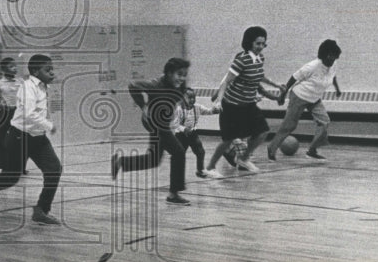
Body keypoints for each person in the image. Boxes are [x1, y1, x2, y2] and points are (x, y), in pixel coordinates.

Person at [0, 54, 62, 225]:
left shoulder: (42, 87)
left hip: (37, 138)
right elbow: (29, 113)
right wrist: (49, 125)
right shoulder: (28, 87)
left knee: (54, 169)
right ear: (35, 71)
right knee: (11, 177)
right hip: (19, 136)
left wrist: (43, 126)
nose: (52, 73)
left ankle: (41, 210)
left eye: (52, 69)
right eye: (47, 69)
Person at [112, 58, 192, 204]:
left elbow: (176, 97)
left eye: (184, 74)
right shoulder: (155, 84)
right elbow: (133, 85)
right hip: (153, 121)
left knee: (153, 160)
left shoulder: (181, 85)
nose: (182, 78)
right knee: (178, 151)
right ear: (168, 73)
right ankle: (173, 195)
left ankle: (120, 162)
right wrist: (143, 106)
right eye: (179, 74)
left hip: (164, 122)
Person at [205, 27, 284, 175]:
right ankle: (210, 167)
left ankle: (243, 158)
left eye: (263, 44)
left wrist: (276, 85)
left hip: (248, 105)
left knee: (262, 132)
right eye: (257, 44)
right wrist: (219, 101)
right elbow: (225, 83)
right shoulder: (241, 60)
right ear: (249, 43)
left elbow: (259, 76)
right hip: (232, 106)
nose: (261, 47)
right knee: (228, 140)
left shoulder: (260, 58)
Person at [266, 39, 342, 161]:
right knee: (290, 125)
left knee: (324, 121)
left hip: (315, 98)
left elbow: (333, 76)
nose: (333, 61)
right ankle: (272, 147)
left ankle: (312, 150)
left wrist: (337, 89)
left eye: (335, 58)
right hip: (299, 96)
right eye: (332, 57)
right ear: (326, 55)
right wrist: (282, 95)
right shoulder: (312, 66)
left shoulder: (332, 65)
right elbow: (294, 78)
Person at [174, 87, 220, 179]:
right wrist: (184, 129)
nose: (192, 100)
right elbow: (175, 123)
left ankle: (200, 170)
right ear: (183, 98)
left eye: (193, 97)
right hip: (181, 136)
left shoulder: (197, 107)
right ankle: (177, 174)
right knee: (180, 155)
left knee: (200, 152)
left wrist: (214, 110)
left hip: (193, 134)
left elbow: (208, 111)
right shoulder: (179, 109)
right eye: (189, 97)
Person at [0, 56, 22, 171]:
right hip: (5, 113)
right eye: (11, 66)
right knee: (4, 139)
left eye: (15, 65)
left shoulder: (20, 82)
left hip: (18, 113)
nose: (15, 68)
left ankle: (19, 165)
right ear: (4, 69)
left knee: (19, 139)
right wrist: (1, 104)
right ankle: (4, 165)